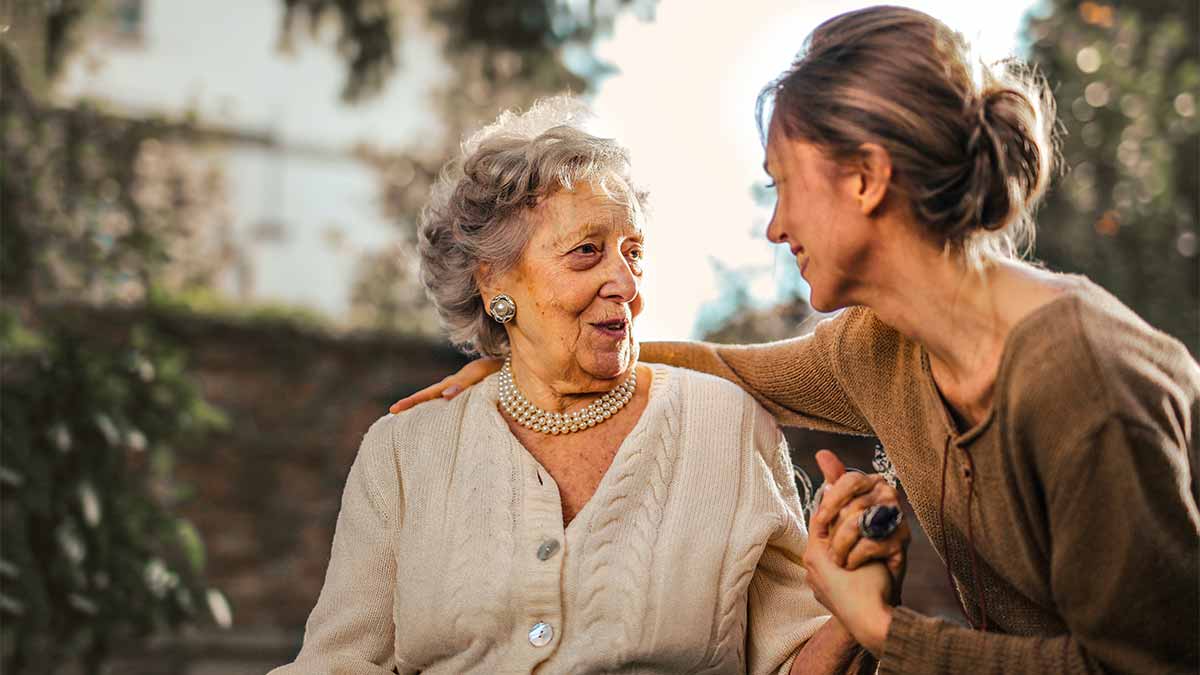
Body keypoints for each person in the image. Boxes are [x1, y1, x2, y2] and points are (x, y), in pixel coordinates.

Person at [390, 6, 1200, 674]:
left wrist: (884, 630)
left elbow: (1149, 665)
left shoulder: (1082, 379)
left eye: (783, 185)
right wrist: (523, 363)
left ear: (865, 177)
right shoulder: (881, 348)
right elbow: (722, 366)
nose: (775, 226)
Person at [272, 97, 901, 674]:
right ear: (495, 285)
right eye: (586, 253)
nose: (626, 285)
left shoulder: (726, 425)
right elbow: (338, 663)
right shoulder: (406, 452)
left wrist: (854, 613)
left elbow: (791, 662)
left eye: (633, 252)